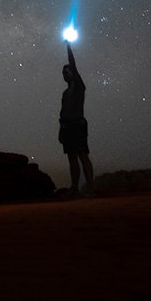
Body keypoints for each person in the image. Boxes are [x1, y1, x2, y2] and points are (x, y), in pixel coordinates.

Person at [59, 42, 94, 195]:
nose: (65, 75)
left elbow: (73, 65)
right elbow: (62, 112)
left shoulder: (79, 87)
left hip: (78, 125)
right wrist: (61, 129)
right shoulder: (65, 93)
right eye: (64, 74)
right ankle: (75, 187)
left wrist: (68, 47)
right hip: (67, 127)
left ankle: (91, 187)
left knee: (82, 155)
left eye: (68, 72)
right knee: (72, 157)